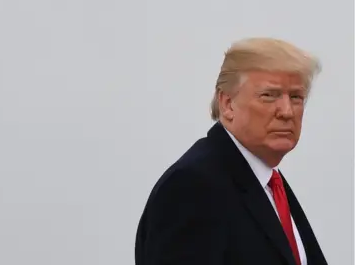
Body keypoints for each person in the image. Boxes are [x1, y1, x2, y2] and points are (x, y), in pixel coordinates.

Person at [135, 37, 328, 265]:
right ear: (227, 104)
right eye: (269, 95)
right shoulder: (193, 186)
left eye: (296, 97)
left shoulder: (266, 181)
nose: (287, 111)